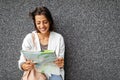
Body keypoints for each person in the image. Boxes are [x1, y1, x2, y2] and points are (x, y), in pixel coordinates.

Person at [18, 6, 65, 80]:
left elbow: (61, 60)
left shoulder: (59, 38)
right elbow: (22, 61)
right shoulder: (29, 38)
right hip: (35, 73)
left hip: (52, 73)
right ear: (35, 23)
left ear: (50, 21)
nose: (42, 26)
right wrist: (24, 65)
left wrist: (60, 63)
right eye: (38, 23)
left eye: (45, 22)